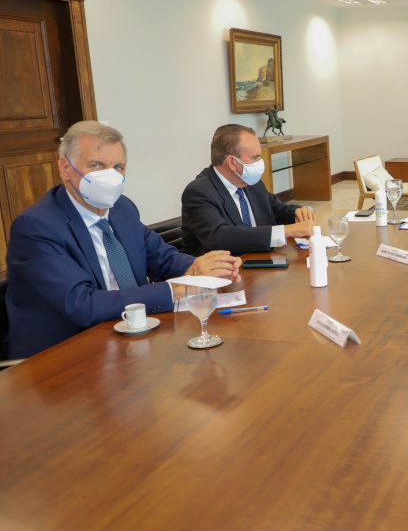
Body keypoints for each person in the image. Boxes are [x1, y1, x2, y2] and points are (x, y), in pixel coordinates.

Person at [6, 121, 242, 359]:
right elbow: (82, 304)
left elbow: (162, 257)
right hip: (63, 357)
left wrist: (201, 268)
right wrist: (177, 290)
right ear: (65, 168)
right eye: (96, 165)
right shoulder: (36, 227)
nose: (110, 176)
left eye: (118, 166)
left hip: (131, 340)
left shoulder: (122, 208)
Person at [181, 124, 316, 256]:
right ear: (232, 162)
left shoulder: (251, 183)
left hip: (259, 263)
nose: (260, 162)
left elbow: (278, 210)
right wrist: (286, 231)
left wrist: (298, 213)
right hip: (222, 272)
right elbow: (220, 238)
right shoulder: (199, 192)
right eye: (255, 158)